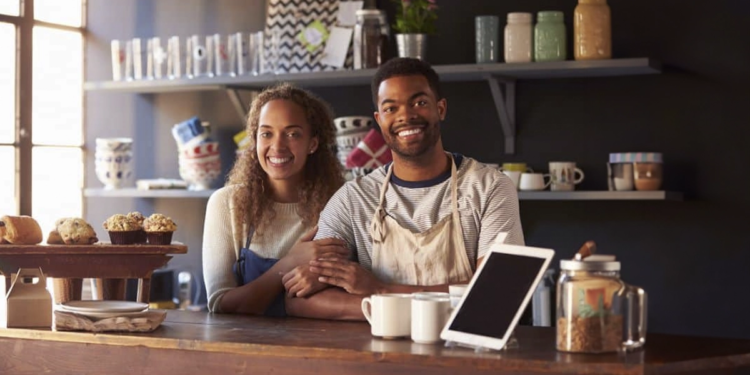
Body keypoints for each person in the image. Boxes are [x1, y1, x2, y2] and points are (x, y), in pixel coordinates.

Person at [282, 58, 525, 317]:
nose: (406, 116)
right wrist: (394, 308)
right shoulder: (353, 199)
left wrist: (382, 291)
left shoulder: (490, 188)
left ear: (440, 108)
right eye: (390, 108)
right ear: (379, 119)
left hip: (466, 351)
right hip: (378, 354)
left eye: (419, 103)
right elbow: (300, 300)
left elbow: (501, 292)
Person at [202, 83, 349, 316]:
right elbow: (220, 304)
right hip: (243, 346)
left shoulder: (340, 204)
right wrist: (289, 264)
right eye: (266, 133)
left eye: (292, 134)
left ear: (313, 143)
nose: (277, 146)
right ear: (255, 140)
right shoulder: (226, 203)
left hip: (316, 345)